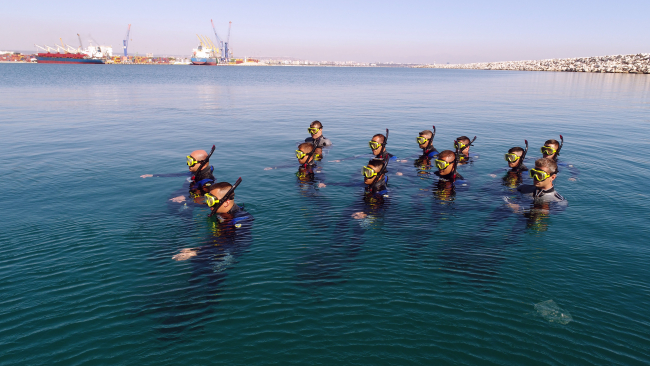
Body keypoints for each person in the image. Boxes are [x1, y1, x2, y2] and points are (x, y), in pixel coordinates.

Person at [173, 181, 253, 261]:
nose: (208, 204)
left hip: (227, 253)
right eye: (207, 198)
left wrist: (199, 251)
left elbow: (240, 244)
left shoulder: (241, 219)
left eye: (211, 200)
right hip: (215, 243)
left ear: (226, 203)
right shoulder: (220, 210)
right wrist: (186, 201)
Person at [141, 147, 216, 204]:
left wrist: (186, 197)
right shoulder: (196, 172)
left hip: (191, 200)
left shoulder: (207, 180)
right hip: (187, 193)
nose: (188, 164)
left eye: (191, 162)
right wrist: (154, 175)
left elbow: (207, 195)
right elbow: (177, 174)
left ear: (201, 163)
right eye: (188, 160)